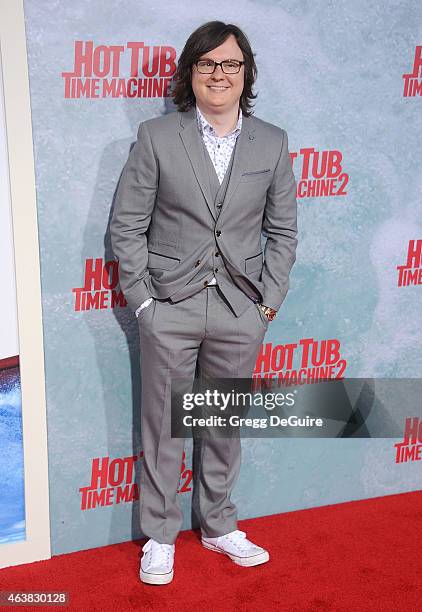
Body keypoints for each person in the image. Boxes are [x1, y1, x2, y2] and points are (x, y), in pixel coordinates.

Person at [110, 20, 298, 585]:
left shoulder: (273, 141)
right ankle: (161, 535)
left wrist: (267, 304)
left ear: (247, 74)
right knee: (163, 428)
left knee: (223, 424)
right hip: (169, 306)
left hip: (242, 309)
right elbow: (127, 227)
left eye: (231, 64)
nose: (220, 74)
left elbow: (283, 233)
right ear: (191, 73)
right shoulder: (156, 136)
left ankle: (217, 526)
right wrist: (144, 303)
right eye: (208, 63)